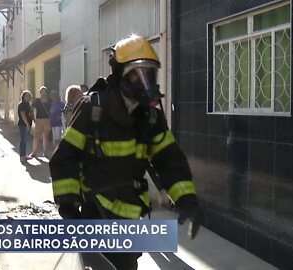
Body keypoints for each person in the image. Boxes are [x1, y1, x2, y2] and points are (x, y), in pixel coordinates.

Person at [49, 35, 200, 270]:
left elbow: (169, 158)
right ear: (120, 75)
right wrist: (68, 208)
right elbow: (65, 158)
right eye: (136, 74)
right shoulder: (93, 108)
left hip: (131, 215)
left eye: (149, 74)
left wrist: (187, 199)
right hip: (96, 213)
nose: (144, 81)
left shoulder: (150, 117)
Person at [30, 86, 51, 157]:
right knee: (36, 137)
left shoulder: (49, 100)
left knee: (46, 136)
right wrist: (34, 119)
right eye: (42, 92)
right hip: (38, 120)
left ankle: (44, 152)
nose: (43, 93)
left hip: (47, 120)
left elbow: (52, 110)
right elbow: (31, 110)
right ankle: (34, 152)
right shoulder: (36, 101)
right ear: (40, 93)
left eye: (44, 91)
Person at [18, 90, 34, 163]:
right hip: (23, 125)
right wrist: (27, 124)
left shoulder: (28, 104)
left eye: (29, 96)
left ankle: (24, 155)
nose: (29, 97)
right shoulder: (22, 105)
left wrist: (33, 120)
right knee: (23, 141)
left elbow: (30, 114)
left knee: (25, 141)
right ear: (23, 97)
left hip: (28, 125)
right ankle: (22, 156)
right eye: (27, 96)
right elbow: (23, 115)